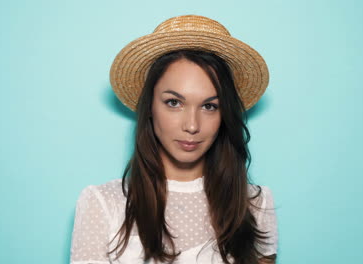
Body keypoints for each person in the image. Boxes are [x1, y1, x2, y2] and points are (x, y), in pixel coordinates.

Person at [70, 15, 278, 264]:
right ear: (149, 106)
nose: (192, 125)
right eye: (174, 102)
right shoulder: (102, 204)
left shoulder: (255, 203)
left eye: (210, 106)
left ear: (225, 115)